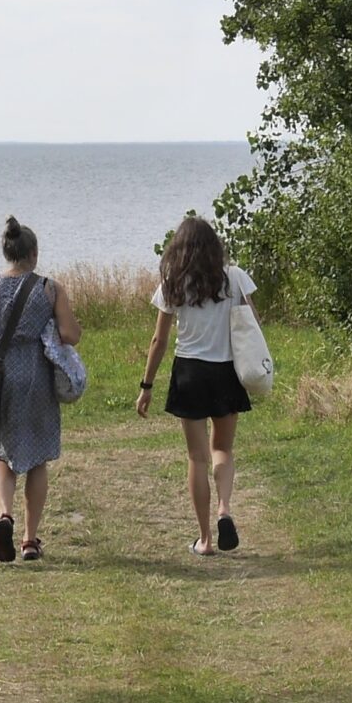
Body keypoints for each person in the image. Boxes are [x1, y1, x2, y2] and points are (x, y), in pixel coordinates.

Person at [135, 214, 255, 555]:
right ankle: (225, 509)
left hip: (189, 372)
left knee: (196, 458)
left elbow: (159, 339)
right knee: (223, 450)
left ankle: (205, 540)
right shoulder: (234, 278)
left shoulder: (173, 284)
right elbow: (251, 324)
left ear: (179, 249)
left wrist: (146, 385)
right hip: (226, 371)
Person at [0, 215, 80, 562]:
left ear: (7, 253)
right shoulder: (49, 288)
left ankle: (4, 515)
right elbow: (71, 334)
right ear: (33, 254)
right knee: (38, 458)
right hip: (35, 373)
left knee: (3, 453)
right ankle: (30, 540)